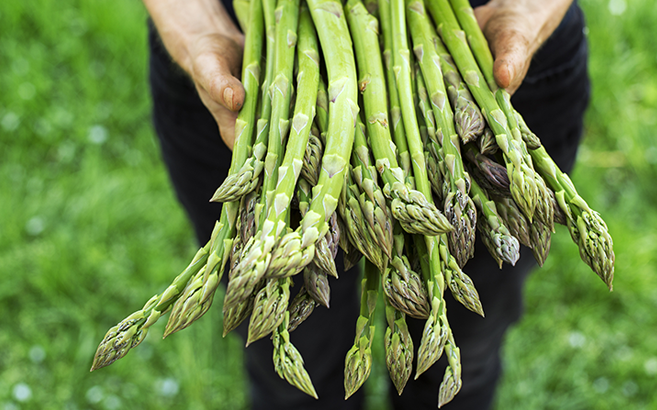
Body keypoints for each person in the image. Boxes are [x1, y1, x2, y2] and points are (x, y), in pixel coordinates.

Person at [142, 0, 590, 408]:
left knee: (459, 369)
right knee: (295, 389)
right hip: (255, 78)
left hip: (478, 64)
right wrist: (187, 18)